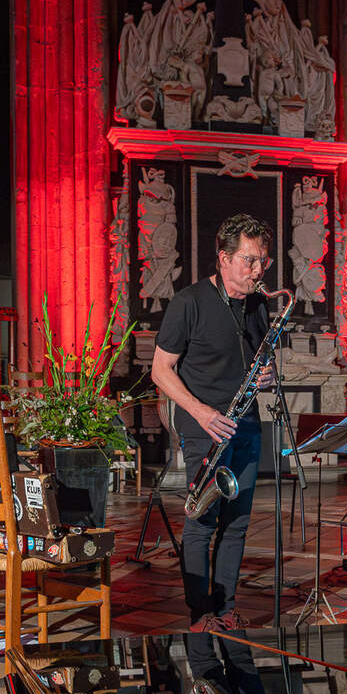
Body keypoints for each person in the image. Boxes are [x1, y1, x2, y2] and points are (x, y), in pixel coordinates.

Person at [151, 214, 278, 631]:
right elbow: (161, 371)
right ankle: (200, 612)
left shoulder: (259, 304)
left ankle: (225, 606)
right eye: (249, 261)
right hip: (203, 427)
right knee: (201, 521)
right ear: (223, 258)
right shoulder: (188, 302)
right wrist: (202, 413)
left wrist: (268, 374)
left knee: (238, 523)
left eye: (262, 261)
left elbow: (261, 358)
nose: (258, 270)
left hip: (246, 424)